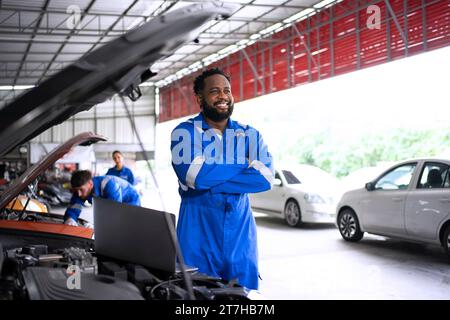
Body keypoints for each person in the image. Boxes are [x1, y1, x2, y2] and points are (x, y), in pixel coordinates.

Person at [170, 68, 274, 290]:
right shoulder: (185, 132)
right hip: (197, 236)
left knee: (238, 301)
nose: (223, 96)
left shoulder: (250, 134)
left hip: (240, 237)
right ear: (200, 98)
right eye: (214, 91)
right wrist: (243, 162)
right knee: (195, 299)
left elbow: (265, 177)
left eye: (227, 90)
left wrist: (212, 178)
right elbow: (194, 175)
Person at [64, 170, 141, 226]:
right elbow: (75, 206)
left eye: (81, 189)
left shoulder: (109, 185)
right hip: (115, 201)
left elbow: (114, 211)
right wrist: (70, 219)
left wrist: (98, 227)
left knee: (128, 224)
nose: (79, 194)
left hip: (131, 199)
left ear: (90, 184)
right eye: (76, 190)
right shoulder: (81, 191)